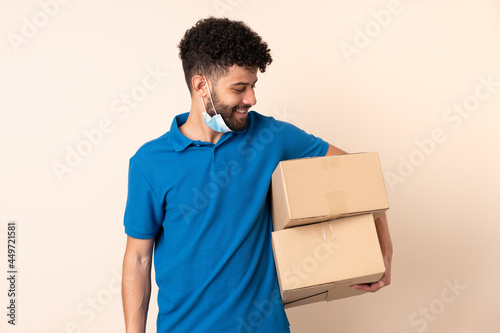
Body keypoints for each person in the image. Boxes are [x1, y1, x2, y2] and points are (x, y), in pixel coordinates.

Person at [121, 17, 393, 333]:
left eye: (253, 86)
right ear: (201, 86)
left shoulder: (271, 137)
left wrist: (383, 246)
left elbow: (359, 174)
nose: (251, 99)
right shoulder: (150, 163)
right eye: (240, 88)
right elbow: (138, 259)